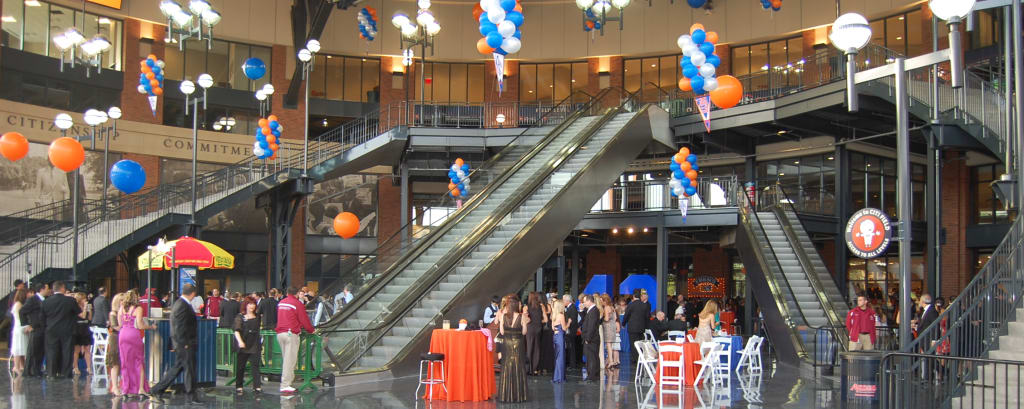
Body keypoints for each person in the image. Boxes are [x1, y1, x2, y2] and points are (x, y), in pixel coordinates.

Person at [149, 284, 202, 405]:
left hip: (182, 343)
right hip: (185, 344)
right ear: (193, 293)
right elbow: (178, 327)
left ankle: (157, 389)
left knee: (178, 368)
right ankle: (191, 396)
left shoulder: (179, 304)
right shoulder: (182, 305)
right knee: (189, 369)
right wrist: (184, 343)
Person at [275, 287, 315, 394]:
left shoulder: (281, 303)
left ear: (287, 293)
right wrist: (311, 330)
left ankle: (287, 383)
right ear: (297, 293)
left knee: (286, 359)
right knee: (290, 361)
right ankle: (285, 385)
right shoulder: (297, 304)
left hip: (280, 333)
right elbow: (304, 319)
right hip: (290, 334)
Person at [41, 281, 80, 378]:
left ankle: (51, 372)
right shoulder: (70, 300)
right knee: (67, 351)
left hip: (51, 330)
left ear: (53, 289)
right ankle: (66, 373)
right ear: (62, 288)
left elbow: (42, 317)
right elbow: (78, 311)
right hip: (67, 329)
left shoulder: (46, 301)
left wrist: (45, 328)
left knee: (52, 351)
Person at [120, 290, 155, 397]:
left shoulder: (121, 308)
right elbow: (140, 325)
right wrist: (150, 327)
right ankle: (140, 389)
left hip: (122, 334)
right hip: (133, 335)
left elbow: (120, 323)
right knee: (138, 361)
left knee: (125, 362)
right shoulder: (138, 309)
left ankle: (126, 389)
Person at [497, 295, 528, 402]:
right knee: (518, 366)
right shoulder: (521, 316)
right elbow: (524, 332)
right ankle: (518, 395)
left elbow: (501, 332)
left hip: (507, 343)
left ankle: (506, 395)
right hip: (518, 343)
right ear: (516, 305)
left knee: (506, 366)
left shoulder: (503, 316)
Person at [233, 296, 262, 394]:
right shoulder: (240, 317)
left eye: (253, 304)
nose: (252, 306)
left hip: (255, 343)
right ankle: (239, 385)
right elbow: (236, 330)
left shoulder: (257, 316)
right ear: (245, 305)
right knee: (241, 366)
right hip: (244, 343)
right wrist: (240, 341)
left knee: (255, 365)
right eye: (250, 304)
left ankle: (257, 386)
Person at [21, 282, 48, 377]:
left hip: (43, 328)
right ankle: (27, 371)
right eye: (47, 288)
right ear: (42, 289)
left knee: (40, 351)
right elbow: (22, 311)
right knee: (32, 351)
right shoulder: (32, 300)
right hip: (35, 328)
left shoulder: (45, 299)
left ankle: (37, 370)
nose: (48, 290)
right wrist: (26, 325)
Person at [622, 289, 650, 365]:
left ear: (633, 296)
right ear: (640, 296)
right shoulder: (644, 305)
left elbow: (626, 315)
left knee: (633, 344)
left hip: (632, 328)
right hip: (641, 328)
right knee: (640, 343)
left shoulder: (631, 305)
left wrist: (623, 324)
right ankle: (640, 357)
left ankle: (635, 359)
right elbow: (647, 317)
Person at [580, 294, 601, 382]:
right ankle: (594, 374)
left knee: (591, 358)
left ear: (589, 301)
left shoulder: (593, 311)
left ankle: (591, 376)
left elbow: (591, 326)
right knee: (592, 357)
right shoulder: (591, 310)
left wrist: (588, 338)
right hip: (591, 338)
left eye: (585, 301)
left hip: (591, 339)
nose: (584, 303)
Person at [106, 292, 124, 396]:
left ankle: (120, 385)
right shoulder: (113, 313)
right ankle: (115, 386)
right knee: (115, 363)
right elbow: (115, 326)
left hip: (122, 337)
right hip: (115, 337)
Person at [72, 292, 93, 376]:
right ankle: (76, 367)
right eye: (84, 299)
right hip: (77, 328)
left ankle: (88, 367)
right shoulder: (76, 307)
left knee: (87, 348)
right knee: (76, 350)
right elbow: (83, 316)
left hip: (85, 328)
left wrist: (90, 310)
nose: (85, 300)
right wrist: (84, 308)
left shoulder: (86, 307)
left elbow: (89, 318)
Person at [9, 288, 28, 377]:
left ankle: (21, 365)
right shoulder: (19, 305)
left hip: (17, 328)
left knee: (20, 347)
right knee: (19, 347)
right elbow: (21, 318)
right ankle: (16, 366)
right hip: (20, 328)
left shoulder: (16, 304)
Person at [525, 292, 544, 376]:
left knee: (529, 348)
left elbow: (526, 319)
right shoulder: (541, 306)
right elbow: (545, 319)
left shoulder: (526, 307)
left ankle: (528, 368)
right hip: (538, 328)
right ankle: (535, 369)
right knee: (537, 348)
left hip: (530, 328)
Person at [550, 299, 569, 383]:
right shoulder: (561, 315)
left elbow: (553, 328)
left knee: (557, 357)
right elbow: (564, 328)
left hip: (555, 336)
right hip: (560, 337)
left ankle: (556, 376)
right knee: (560, 357)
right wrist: (569, 323)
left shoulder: (553, 315)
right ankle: (559, 377)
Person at [601, 294, 620, 369]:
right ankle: (610, 360)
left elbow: (606, 319)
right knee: (610, 345)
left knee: (608, 345)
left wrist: (601, 318)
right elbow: (615, 317)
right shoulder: (612, 307)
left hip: (608, 327)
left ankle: (611, 361)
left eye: (601, 300)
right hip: (612, 326)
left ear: (604, 300)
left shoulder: (606, 307)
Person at [562, 294, 581, 369]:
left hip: (571, 331)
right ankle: (571, 363)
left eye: (563, 300)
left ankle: (572, 364)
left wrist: (567, 325)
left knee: (571, 347)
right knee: (571, 347)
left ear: (567, 301)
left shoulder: (572, 308)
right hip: (571, 330)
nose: (563, 302)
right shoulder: (570, 307)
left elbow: (572, 320)